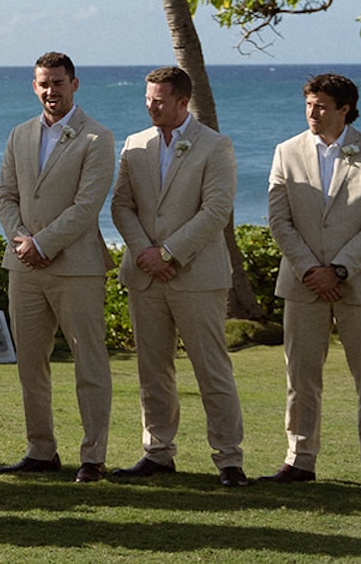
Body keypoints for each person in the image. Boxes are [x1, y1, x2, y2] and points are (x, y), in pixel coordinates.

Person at [109, 65, 248, 487]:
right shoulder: (135, 144)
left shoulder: (215, 146)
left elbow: (216, 209)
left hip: (197, 276)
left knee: (212, 370)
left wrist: (169, 253)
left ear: (183, 102)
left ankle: (229, 459)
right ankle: (157, 452)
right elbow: (121, 205)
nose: (151, 106)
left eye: (160, 99)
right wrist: (144, 253)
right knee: (153, 370)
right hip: (145, 276)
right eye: (148, 98)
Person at [262, 73, 361, 491]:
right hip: (303, 283)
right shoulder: (287, 151)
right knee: (300, 377)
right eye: (308, 104)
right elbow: (278, 220)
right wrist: (309, 270)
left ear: (344, 109)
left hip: (357, 284)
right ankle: (299, 459)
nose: (312, 113)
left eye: (321, 106)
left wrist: (338, 269)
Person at [0, 52, 116, 482]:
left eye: (58, 83)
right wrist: (23, 241)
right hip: (23, 267)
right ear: (34, 86)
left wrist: (44, 243)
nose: (51, 91)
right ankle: (41, 450)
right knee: (31, 364)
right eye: (43, 83)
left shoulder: (98, 139)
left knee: (89, 361)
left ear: (74, 85)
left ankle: (93, 456)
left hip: (77, 268)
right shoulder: (19, 135)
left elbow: (87, 206)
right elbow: (6, 196)